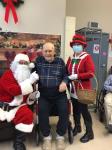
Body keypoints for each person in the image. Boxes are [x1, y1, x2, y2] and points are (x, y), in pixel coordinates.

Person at [33, 42, 68, 150]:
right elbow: (31, 73)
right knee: (42, 112)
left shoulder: (60, 61)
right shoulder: (38, 61)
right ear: (42, 52)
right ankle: (47, 137)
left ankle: (60, 136)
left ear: (54, 51)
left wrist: (64, 82)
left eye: (50, 51)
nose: (48, 53)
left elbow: (66, 75)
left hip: (59, 94)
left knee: (64, 111)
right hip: (44, 94)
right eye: (46, 51)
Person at [0, 53, 39, 150]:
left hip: (19, 107)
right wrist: (30, 82)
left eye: (25, 63)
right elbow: (15, 91)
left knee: (27, 114)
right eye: (20, 62)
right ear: (14, 64)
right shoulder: (7, 75)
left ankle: (18, 142)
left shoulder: (28, 77)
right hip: (3, 107)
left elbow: (30, 99)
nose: (22, 65)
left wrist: (34, 96)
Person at [66, 34, 95, 143]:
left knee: (84, 112)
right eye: (74, 45)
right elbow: (66, 70)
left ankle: (89, 132)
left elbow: (91, 73)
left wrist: (77, 76)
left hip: (83, 90)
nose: (76, 46)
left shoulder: (86, 57)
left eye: (78, 44)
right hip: (72, 89)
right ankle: (77, 127)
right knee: (76, 110)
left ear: (83, 46)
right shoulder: (71, 57)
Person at [104, 66, 112, 131]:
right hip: (110, 93)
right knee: (107, 102)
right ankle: (110, 125)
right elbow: (105, 86)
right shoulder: (110, 77)